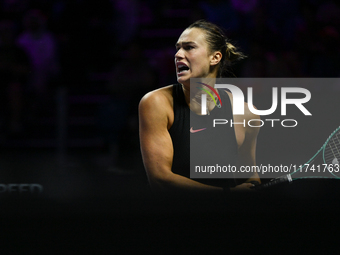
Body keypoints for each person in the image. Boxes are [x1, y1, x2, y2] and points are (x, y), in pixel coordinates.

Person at [139, 20, 261, 198]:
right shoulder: (156, 103)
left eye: (189, 47)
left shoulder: (246, 113)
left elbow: (249, 175)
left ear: (215, 57)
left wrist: (254, 187)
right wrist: (225, 194)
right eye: (178, 48)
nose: (178, 54)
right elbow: (160, 180)